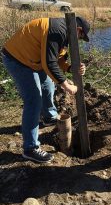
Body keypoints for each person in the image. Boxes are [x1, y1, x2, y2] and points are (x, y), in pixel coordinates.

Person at [2, 16, 90, 163]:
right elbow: (49, 63)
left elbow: (58, 59)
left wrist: (69, 67)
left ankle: (49, 117)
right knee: (34, 100)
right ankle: (30, 148)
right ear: (78, 29)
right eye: (81, 37)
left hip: (35, 59)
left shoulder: (64, 34)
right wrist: (67, 85)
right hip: (17, 59)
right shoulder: (57, 30)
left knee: (48, 85)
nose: (80, 40)